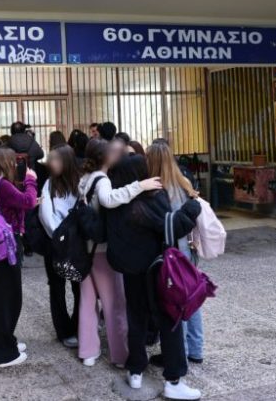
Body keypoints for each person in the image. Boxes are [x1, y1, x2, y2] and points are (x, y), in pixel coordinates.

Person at [107, 155, 202, 399]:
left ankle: (135, 371)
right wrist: (193, 207)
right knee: (169, 320)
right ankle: (173, 380)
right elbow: (173, 227)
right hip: (156, 269)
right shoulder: (152, 198)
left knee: (136, 318)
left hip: (130, 270)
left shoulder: (115, 202)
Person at [77, 139, 161, 367]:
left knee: (87, 302)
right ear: (104, 157)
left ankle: (88, 351)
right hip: (101, 250)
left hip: (85, 249)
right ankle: (121, 355)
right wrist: (139, 186)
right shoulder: (102, 179)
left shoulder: (85, 178)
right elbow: (108, 200)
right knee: (114, 303)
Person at [147, 140, 205, 366]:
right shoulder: (184, 182)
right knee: (192, 298)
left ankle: (180, 351)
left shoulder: (156, 188)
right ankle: (196, 349)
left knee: (173, 302)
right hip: (188, 250)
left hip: (170, 254)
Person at [0, 147, 38, 367]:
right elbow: (28, 202)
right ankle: (4, 353)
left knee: (3, 296)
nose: (16, 165)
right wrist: (31, 180)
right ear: (5, 163)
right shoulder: (3, 185)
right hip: (6, 245)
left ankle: (6, 341)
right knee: (8, 297)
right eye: (13, 161)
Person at [38, 145, 81, 349]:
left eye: (55, 159)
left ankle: (78, 326)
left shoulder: (81, 182)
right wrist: (60, 236)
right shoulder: (49, 183)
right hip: (57, 243)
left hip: (73, 243)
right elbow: (45, 215)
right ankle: (64, 330)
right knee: (57, 287)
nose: (51, 163)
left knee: (79, 287)